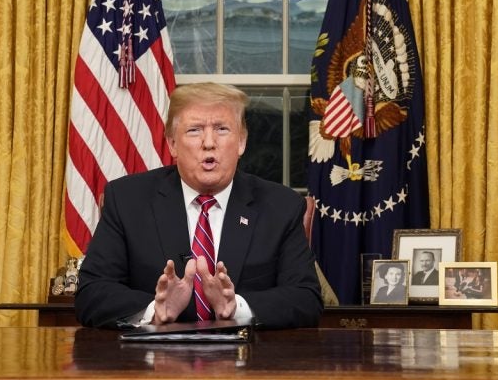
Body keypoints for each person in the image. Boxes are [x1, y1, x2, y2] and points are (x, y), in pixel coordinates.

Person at [75, 82, 323, 329]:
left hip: (248, 361)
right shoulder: (127, 200)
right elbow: (91, 293)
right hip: (153, 360)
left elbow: (306, 298)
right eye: (194, 130)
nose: (208, 143)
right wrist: (155, 310)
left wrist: (237, 307)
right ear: (172, 143)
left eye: (222, 129)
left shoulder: (281, 207)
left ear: (241, 142)